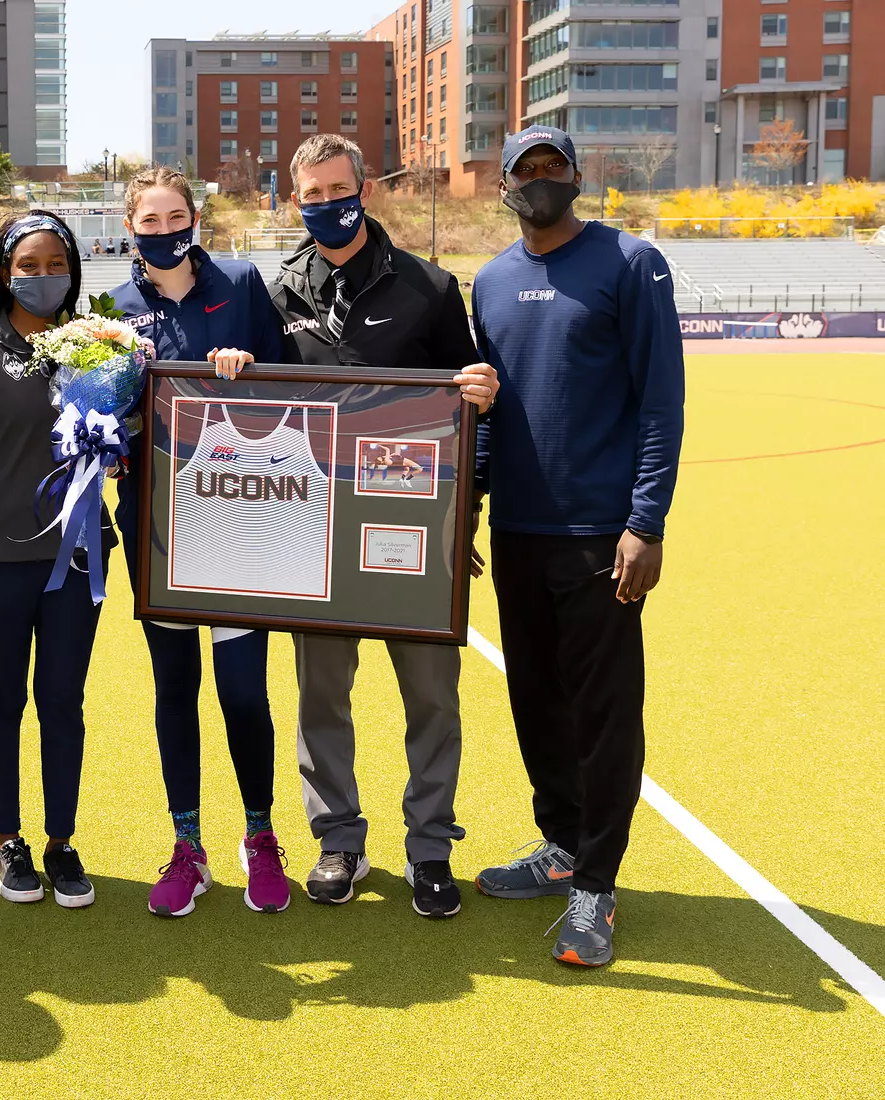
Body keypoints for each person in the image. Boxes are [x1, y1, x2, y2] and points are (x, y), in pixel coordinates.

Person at [269, 134, 498, 920]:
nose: (326, 204)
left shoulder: (430, 288)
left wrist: (460, 515)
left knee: (432, 697)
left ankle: (429, 849)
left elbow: (469, 416)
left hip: (409, 541)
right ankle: (340, 841)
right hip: (317, 538)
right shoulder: (280, 292)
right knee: (320, 699)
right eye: (311, 194)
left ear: (363, 193)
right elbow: (260, 418)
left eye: (338, 189)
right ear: (294, 199)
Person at [471, 125, 683, 967]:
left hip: (601, 536)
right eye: (527, 171)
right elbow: (485, 417)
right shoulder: (487, 282)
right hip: (519, 534)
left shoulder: (631, 264)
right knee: (537, 704)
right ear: (505, 188)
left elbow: (661, 402)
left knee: (602, 713)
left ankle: (597, 882)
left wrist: (647, 523)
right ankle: (560, 846)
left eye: (555, 168)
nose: (542, 181)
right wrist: (467, 511)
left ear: (577, 176)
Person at [108, 166, 291, 918]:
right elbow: (101, 419)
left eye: (174, 216)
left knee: (245, 692)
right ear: (130, 228)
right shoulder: (111, 309)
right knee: (174, 689)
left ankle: (261, 837)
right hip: (157, 527)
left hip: (240, 520)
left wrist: (250, 375)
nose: (162, 231)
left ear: (195, 217)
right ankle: (188, 845)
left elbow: (293, 388)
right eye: (148, 222)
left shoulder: (244, 283)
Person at [0, 212, 108, 909]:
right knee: (1, 702)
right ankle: (7, 837)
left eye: (56, 264)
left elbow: (117, 435)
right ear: (4, 269)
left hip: (75, 560)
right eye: (29, 265)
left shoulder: (99, 346)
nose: (44, 278)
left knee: (62, 703)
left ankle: (61, 841)